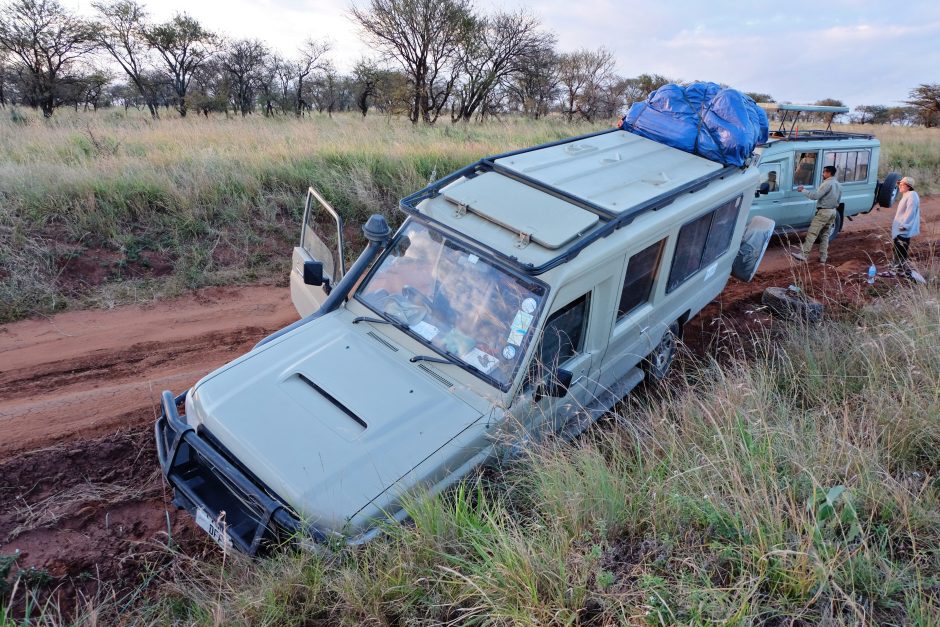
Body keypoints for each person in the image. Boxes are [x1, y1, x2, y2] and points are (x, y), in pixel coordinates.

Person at [791, 165, 842, 263]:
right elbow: (838, 201)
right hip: (833, 212)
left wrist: (803, 190)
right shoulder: (838, 185)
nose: (823, 174)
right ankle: (823, 257)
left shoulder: (827, 184)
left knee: (812, 233)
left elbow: (815, 196)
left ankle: (803, 255)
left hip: (824, 212)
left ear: (828, 173)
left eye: (824, 172)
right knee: (825, 235)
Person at [892, 176, 921, 273]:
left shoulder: (912, 196)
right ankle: (897, 269)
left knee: (900, 249)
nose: (899, 186)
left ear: (908, 186)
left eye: (901, 184)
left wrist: (904, 226)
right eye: (899, 184)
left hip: (903, 229)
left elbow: (910, 212)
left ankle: (897, 269)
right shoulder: (908, 195)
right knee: (898, 249)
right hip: (901, 229)